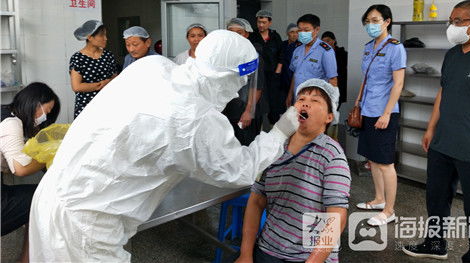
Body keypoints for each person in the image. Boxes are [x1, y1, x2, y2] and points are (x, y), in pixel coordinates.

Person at [29, 30, 300, 262]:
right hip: (87, 223)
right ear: (223, 78)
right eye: (239, 80)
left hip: (55, 192)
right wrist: (280, 131)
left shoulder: (153, 67)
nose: (238, 88)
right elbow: (239, 170)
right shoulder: (194, 119)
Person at [403, 0, 470, 262]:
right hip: (443, 143)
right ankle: (435, 244)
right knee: (436, 199)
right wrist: (431, 128)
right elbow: (443, 92)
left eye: (457, 21)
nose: (452, 26)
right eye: (451, 21)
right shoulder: (453, 55)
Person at [236, 79, 349, 263]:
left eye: (315, 100)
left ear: (330, 117)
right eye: (301, 98)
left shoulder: (332, 155)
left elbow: (336, 217)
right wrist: (246, 254)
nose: (305, 102)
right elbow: (256, 200)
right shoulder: (273, 147)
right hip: (268, 248)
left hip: (308, 255)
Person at [354, 4, 406, 226]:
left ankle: (389, 210)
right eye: (368, 21)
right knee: (373, 160)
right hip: (367, 109)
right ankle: (378, 199)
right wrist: (357, 101)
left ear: (387, 22)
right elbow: (366, 79)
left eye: (375, 20)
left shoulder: (396, 48)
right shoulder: (368, 47)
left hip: (384, 112)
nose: (370, 25)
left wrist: (386, 113)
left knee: (385, 163)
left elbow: (398, 83)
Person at [1, 82, 60, 263]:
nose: (45, 117)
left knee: (35, 196)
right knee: (43, 196)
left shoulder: (5, 112)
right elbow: (21, 168)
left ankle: (26, 259)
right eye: (46, 111)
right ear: (34, 104)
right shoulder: (11, 123)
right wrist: (50, 155)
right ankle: (26, 260)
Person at [223, 18, 267, 146]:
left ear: (247, 34)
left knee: (246, 146)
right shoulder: (226, 54)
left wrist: (249, 111)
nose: (235, 36)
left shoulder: (253, 55)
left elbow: (257, 87)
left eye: (239, 32)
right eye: (231, 32)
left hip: (247, 110)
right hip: (231, 109)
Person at [69, 20, 119, 118]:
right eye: (101, 35)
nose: (106, 38)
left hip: (109, 105)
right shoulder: (77, 58)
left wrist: (108, 82)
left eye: (105, 35)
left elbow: (116, 78)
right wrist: (100, 85)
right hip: (86, 106)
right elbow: (77, 86)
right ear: (90, 37)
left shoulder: (108, 55)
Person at [286, 14, 338, 107]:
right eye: (300, 30)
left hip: (316, 103)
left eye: (306, 30)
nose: (302, 33)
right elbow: (296, 74)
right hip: (298, 100)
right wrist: (290, 95)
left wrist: (331, 105)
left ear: (317, 30)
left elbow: (333, 80)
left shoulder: (325, 51)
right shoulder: (297, 50)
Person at [249, 10, 284, 124]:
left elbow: (281, 54)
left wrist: (278, 71)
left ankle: (273, 126)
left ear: (270, 23)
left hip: (272, 75)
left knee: (273, 101)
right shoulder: (252, 36)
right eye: (259, 22)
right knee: (257, 100)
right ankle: (257, 125)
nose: (261, 25)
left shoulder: (275, 36)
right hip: (257, 74)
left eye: (264, 22)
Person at [321, 31, 348, 110]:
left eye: (328, 40)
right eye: (323, 41)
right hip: (324, 86)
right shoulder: (320, 54)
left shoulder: (342, 54)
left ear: (334, 41)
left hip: (339, 86)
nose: (326, 43)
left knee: (334, 109)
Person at [280, 23, 302, 106]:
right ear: (287, 33)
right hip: (282, 81)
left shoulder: (301, 47)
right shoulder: (282, 45)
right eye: (292, 32)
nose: (295, 34)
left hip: (295, 80)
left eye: (297, 32)